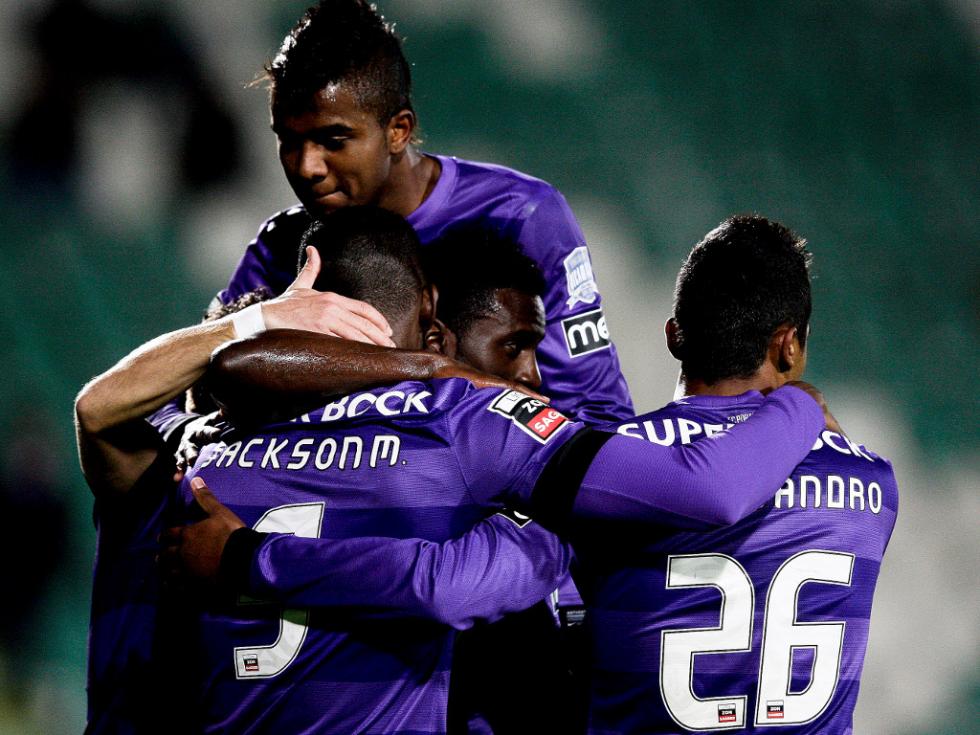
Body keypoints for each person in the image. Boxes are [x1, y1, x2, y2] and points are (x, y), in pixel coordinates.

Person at [164, 208, 827, 733]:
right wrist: (799, 406)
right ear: (433, 323)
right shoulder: (462, 417)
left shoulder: (212, 452)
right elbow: (704, 486)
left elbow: (152, 393)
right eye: (515, 345)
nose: (533, 374)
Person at [74, 214, 525, 732]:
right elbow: (100, 408)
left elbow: (104, 409)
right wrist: (262, 321)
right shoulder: (184, 459)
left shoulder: (189, 464)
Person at [148, 0, 632, 449]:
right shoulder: (282, 244)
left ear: (398, 130)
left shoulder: (519, 214)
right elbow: (175, 392)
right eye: (289, 142)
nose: (307, 167)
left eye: (333, 140)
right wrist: (186, 432)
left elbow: (596, 409)